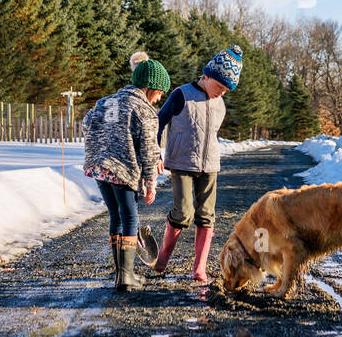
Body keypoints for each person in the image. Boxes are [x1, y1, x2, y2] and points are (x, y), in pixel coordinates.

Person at [150, 44, 243, 282]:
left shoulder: (220, 104)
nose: (222, 92)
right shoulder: (182, 94)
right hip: (181, 163)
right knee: (183, 212)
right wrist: (155, 153)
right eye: (220, 86)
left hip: (210, 165)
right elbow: (158, 122)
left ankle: (199, 269)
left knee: (207, 215)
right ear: (208, 75)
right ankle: (162, 258)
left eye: (227, 90)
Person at [81, 52, 170, 291]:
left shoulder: (106, 101)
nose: (159, 99)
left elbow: (86, 124)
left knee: (116, 216)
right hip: (122, 169)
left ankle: (121, 272)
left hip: (99, 168)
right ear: (150, 87)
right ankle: (126, 275)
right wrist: (150, 183)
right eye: (159, 92)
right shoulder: (144, 110)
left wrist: (105, 141)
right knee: (130, 218)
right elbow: (151, 151)